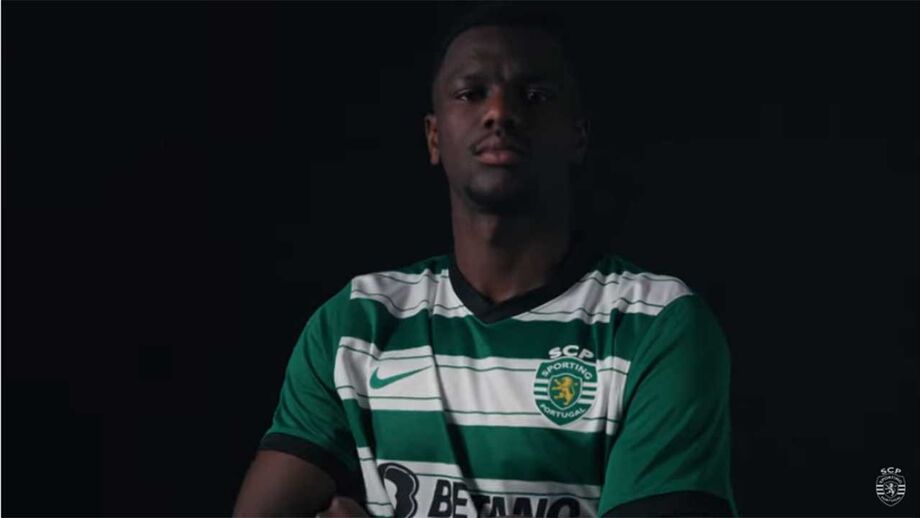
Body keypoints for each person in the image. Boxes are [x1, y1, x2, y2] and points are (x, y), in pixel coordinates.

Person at [234, 4, 737, 517]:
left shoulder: (656, 324)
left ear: (578, 134)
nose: (499, 112)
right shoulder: (357, 322)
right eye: (471, 93)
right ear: (434, 137)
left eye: (534, 95)